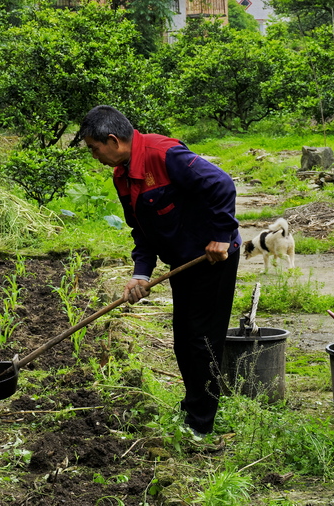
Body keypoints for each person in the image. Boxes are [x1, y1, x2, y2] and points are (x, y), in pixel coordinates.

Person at [79, 105, 241, 439]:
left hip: (213, 259)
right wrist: (141, 273)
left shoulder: (164, 154)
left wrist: (221, 237)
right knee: (183, 338)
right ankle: (193, 406)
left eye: (95, 149)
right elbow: (142, 230)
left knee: (202, 339)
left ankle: (201, 423)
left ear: (112, 140)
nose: (95, 156)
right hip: (181, 262)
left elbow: (222, 184)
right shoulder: (122, 176)